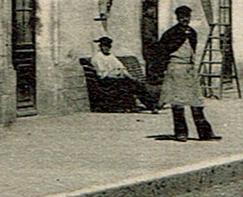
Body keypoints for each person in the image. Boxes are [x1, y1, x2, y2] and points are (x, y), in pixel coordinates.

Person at [156, 7, 219, 142]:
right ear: (177, 17)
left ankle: (205, 133)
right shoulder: (171, 33)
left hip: (189, 69)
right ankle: (181, 133)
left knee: (196, 102)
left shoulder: (192, 32)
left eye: (187, 16)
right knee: (178, 102)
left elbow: (193, 50)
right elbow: (161, 51)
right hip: (176, 68)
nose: (185, 19)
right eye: (182, 16)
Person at [88, 36, 158, 112]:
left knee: (135, 83)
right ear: (100, 46)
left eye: (108, 46)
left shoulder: (111, 56)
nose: (106, 48)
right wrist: (117, 75)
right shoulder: (98, 57)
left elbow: (121, 68)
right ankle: (140, 105)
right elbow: (101, 74)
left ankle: (152, 105)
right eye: (104, 46)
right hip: (106, 81)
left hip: (116, 78)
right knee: (127, 84)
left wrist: (130, 77)